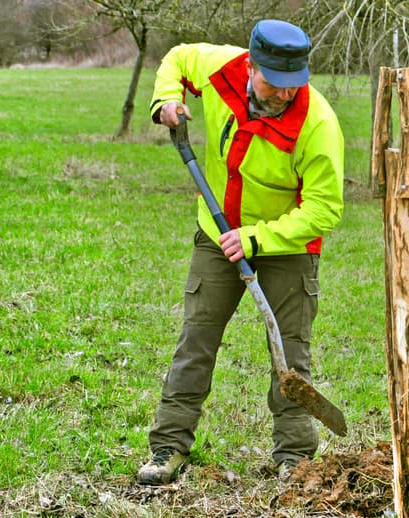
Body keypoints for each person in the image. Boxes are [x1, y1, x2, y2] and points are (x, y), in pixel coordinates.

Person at [137, 19, 345, 485]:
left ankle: (295, 458)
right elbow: (177, 57)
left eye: (294, 85)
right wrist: (166, 101)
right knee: (196, 340)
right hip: (217, 233)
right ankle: (167, 447)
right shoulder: (219, 68)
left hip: (287, 246)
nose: (285, 95)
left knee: (289, 355)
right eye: (274, 84)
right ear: (250, 67)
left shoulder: (318, 124)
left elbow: (325, 209)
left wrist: (257, 239)